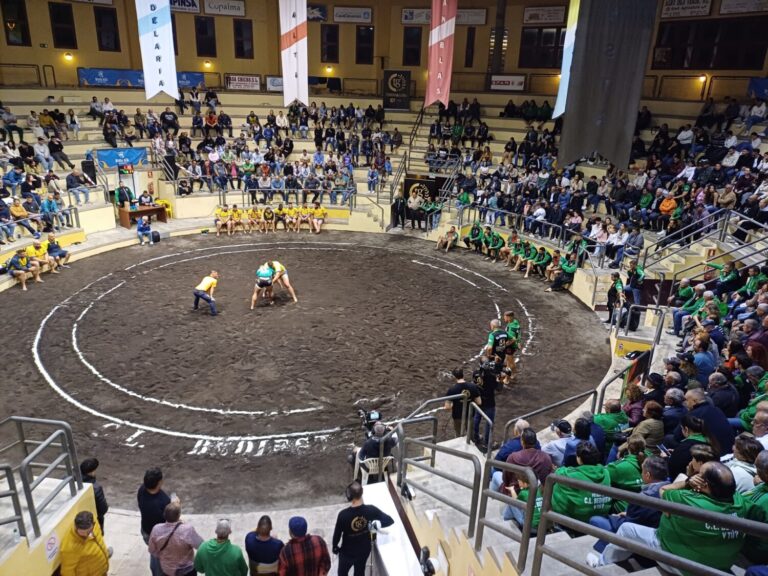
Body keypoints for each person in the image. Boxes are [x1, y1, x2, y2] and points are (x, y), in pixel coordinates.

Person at [587, 462, 749, 573]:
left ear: (703, 484)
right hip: (721, 565)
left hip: (684, 565)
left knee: (626, 529)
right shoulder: (741, 502)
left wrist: (687, 482)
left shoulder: (688, 499)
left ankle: (601, 563)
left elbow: (663, 491)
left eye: (698, 474)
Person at [332, 482, 395, 576]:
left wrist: (335, 547)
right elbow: (389, 520)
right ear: (362, 493)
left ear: (349, 496)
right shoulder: (371, 510)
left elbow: (337, 535)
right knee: (360, 572)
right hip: (364, 550)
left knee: (342, 573)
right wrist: (378, 524)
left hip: (347, 552)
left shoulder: (343, 515)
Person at [148, 502, 203, 576]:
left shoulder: (156, 529)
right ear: (179, 515)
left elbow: (152, 550)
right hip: (186, 570)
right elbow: (201, 546)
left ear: (164, 515)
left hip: (167, 570)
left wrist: (165, 557)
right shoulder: (187, 530)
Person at [137, 467, 172, 576]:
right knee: (158, 555)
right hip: (157, 536)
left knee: (155, 553)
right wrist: (175, 506)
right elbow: (170, 521)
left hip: (146, 530)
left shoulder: (142, 490)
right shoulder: (160, 503)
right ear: (159, 482)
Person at [59, 511, 110, 576]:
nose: (86, 535)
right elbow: (67, 572)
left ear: (93, 524)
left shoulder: (94, 523)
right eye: (82, 533)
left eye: (88, 532)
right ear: (75, 527)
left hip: (102, 570)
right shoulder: (69, 547)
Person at [443, 368, 481, 437]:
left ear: (454, 377)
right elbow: (479, 402)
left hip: (457, 416)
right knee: (471, 434)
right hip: (470, 415)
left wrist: (453, 407)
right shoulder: (473, 386)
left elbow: (447, 407)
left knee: (459, 434)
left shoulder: (452, 389)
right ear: (463, 375)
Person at [80, 458, 109, 534]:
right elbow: (103, 509)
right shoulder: (96, 488)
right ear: (92, 472)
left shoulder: (67, 478)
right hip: (92, 519)